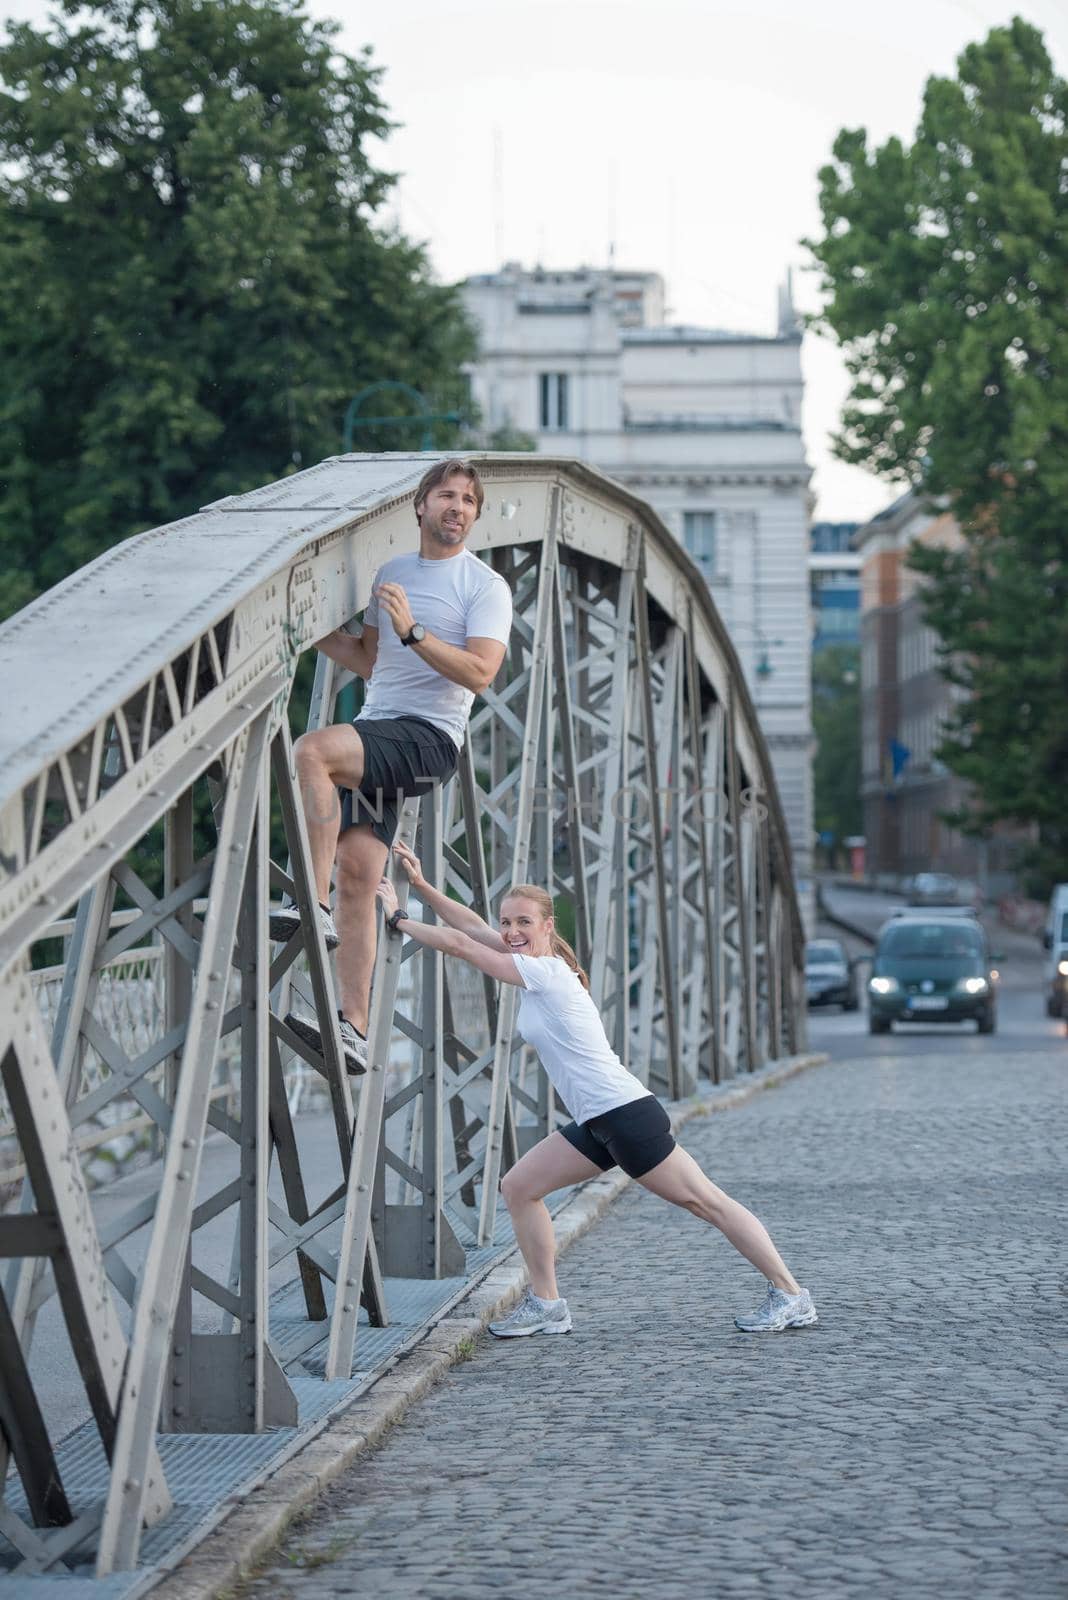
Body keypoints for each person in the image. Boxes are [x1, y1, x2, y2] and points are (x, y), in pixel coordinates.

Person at [376, 841, 818, 1336]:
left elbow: (462, 947)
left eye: (524, 922)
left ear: (547, 926)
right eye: (507, 922)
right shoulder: (532, 962)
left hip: (627, 1115)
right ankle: (547, 1305)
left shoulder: (547, 973)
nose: (510, 931)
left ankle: (790, 1294)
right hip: (597, 1122)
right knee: (519, 1187)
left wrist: (399, 920)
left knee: (707, 1203)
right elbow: (473, 930)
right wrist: (420, 887)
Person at [270, 459, 512, 1073]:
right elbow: (371, 662)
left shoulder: (483, 587)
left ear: (476, 514)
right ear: (421, 506)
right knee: (358, 872)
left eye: (467, 500)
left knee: (312, 750)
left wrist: (414, 631)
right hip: (381, 731)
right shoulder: (393, 571)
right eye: (445, 496)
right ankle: (352, 1028)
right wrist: (303, 626)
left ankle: (309, 905)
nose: (456, 507)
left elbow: (481, 674)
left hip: (430, 740)